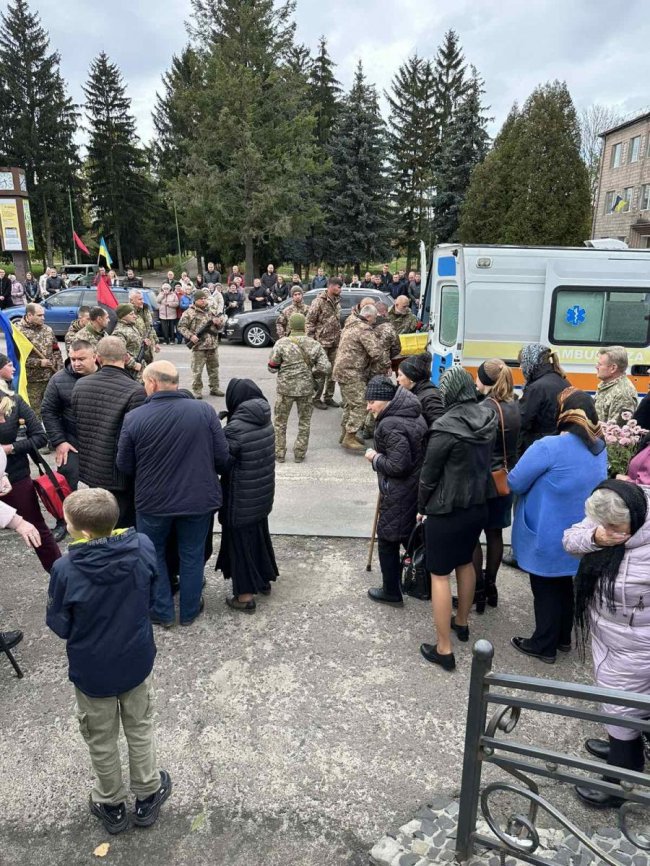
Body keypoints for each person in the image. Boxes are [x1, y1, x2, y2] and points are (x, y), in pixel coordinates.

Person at [46, 488, 171, 834]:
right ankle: (147, 792)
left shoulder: (65, 569)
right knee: (140, 725)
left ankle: (111, 801)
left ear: (82, 532)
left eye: (67, 522)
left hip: (93, 670)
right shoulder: (142, 545)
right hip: (135, 658)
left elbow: (59, 624)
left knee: (100, 737)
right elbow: (152, 585)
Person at [117, 361, 230, 628]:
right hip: (198, 500)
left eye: (145, 382)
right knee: (191, 553)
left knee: (153, 553)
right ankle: (190, 610)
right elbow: (222, 456)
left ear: (153, 383)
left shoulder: (135, 418)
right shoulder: (204, 411)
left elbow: (124, 465)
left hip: (153, 503)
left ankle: (163, 611)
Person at [563, 480, 650, 807]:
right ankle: (622, 745)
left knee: (620, 704)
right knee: (617, 700)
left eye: (616, 527)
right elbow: (570, 540)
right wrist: (595, 537)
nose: (611, 530)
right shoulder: (613, 507)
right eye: (605, 525)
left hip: (638, 642)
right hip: (607, 630)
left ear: (637, 517)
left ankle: (621, 777)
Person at [508, 388, 607, 664]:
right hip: (580, 531)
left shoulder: (547, 447)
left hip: (546, 530)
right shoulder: (599, 447)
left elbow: (515, 481)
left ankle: (544, 644)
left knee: (545, 587)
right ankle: (564, 637)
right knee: (565, 583)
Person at [418, 366, 498, 672]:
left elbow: (428, 476)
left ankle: (444, 648)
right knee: (465, 562)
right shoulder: (487, 416)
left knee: (439, 574)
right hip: (478, 504)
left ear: (448, 392)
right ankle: (462, 623)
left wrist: (422, 505)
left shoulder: (445, 426)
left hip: (447, 507)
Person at [364, 377, 428, 606]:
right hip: (414, 487)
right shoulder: (413, 413)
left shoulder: (390, 424)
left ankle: (391, 591)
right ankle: (421, 584)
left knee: (389, 540)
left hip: (400, 491)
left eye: (372, 401)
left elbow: (397, 466)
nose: (368, 407)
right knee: (410, 537)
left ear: (386, 399)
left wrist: (375, 458)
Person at [215, 379, 277, 613]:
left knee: (240, 544)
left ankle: (244, 596)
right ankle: (263, 580)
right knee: (259, 537)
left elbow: (223, 463)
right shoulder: (264, 419)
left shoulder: (236, 428)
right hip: (260, 495)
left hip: (239, 497)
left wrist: (219, 432)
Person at [71, 336, 146, 528]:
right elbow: (133, 439)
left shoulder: (81, 385)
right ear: (126, 357)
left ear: (97, 358)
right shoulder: (136, 391)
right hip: (119, 476)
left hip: (91, 470)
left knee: (100, 528)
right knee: (122, 529)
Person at [0, 354, 61, 572]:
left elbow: (39, 437)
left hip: (16, 478)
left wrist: (9, 449)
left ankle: (60, 574)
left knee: (37, 529)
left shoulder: (15, 402)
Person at [471, 359, 521, 610]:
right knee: (495, 534)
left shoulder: (486, 408)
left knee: (472, 536)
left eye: (478, 377)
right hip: (506, 478)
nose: (475, 381)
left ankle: (477, 587)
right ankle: (491, 586)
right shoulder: (515, 404)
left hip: (484, 479)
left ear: (487, 381)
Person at [41, 340, 98, 541]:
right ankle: (63, 522)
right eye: (73, 359)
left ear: (94, 356)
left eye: (81, 359)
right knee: (64, 484)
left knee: (102, 490)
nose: (76, 363)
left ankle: (100, 525)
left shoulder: (105, 376)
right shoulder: (59, 380)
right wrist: (59, 441)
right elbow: (48, 412)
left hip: (100, 444)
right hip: (71, 442)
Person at [268, 313, 331, 463]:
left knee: (280, 422)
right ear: (304, 326)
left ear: (290, 326)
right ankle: (299, 454)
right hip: (306, 389)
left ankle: (279, 453)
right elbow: (326, 367)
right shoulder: (314, 344)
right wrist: (313, 374)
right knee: (304, 422)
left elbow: (272, 368)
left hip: (285, 389)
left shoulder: (281, 343)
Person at [332, 305, 386, 452]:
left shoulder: (351, 323)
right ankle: (350, 436)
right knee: (361, 404)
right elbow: (376, 352)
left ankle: (345, 434)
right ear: (368, 317)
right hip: (351, 372)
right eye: (374, 319)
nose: (374, 322)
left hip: (342, 370)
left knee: (350, 404)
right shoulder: (364, 329)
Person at [518, 343, 570, 455]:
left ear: (530, 363)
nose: (520, 368)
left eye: (522, 363)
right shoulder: (563, 380)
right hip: (559, 445)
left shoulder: (536, 388)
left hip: (539, 447)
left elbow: (522, 421)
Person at [13, 302, 63, 418]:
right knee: (33, 414)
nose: (43, 318)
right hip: (32, 381)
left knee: (51, 411)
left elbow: (56, 350)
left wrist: (60, 370)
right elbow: (17, 359)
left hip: (50, 378)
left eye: (43, 315)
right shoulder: (18, 332)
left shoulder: (48, 330)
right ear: (29, 315)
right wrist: (39, 363)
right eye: (39, 315)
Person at [177, 290, 225, 399]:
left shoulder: (211, 311)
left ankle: (214, 388)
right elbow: (181, 327)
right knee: (197, 371)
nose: (203, 301)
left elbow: (220, 327)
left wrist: (219, 323)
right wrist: (191, 336)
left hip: (212, 345)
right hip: (199, 347)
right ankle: (197, 390)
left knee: (214, 369)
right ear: (195, 300)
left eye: (204, 298)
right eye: (201, 299)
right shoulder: (189, 312)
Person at [305, 277, 343, 409]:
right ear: (331, 286)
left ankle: (328, 397)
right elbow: (309, 322)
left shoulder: (337, 302)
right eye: (339, 287)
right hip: (321, 343)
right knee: (322, 371)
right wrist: (311, 342)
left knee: (333, 372)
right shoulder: (319, 302)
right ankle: (315, 398)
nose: (340, 289)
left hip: (335, 342)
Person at [396, 352, 445, 427]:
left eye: (400, 375)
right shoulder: (417, 392)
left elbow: (441, 428)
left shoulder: (430, 397)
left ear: (411, 377)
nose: (397, 379)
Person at [594, 346, 639, 424]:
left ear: (613, 368)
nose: (596, 367)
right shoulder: (606, 385)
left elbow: (616, 431)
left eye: (600, 364)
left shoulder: (623, 394)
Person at [112, 304, 146, 380]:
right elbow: (119, 352)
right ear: (123, 316)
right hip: (130, 371)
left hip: (139, 368)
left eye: (134, 313)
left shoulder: (131, 326)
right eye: (131, 314)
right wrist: (133, 364)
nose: (135, 316)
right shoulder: (119, 332)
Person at [129, 289, 159, 364]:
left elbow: (150, 327)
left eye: (142, 298)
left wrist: (156, 342)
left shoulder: (146, 310)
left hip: (148, 348)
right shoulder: (128, 314)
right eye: (139, 299)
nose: (142, 301)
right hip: (136, 350)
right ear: (132, 300)